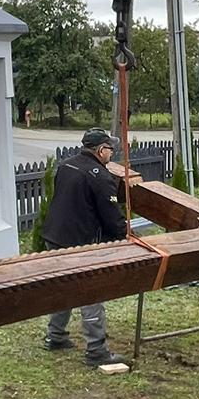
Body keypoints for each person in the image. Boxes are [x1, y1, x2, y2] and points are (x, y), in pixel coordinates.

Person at [42, 127, 129, 370]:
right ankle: (96, 351)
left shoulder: (66, 165)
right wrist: (124, 236)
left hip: (55, 236)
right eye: (110, 148)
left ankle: (55, 336)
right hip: (79, 242)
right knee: (91, 293)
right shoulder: (100, 176)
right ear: (100, 150)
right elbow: (111, 215)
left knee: (63, 286)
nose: (112, 153)